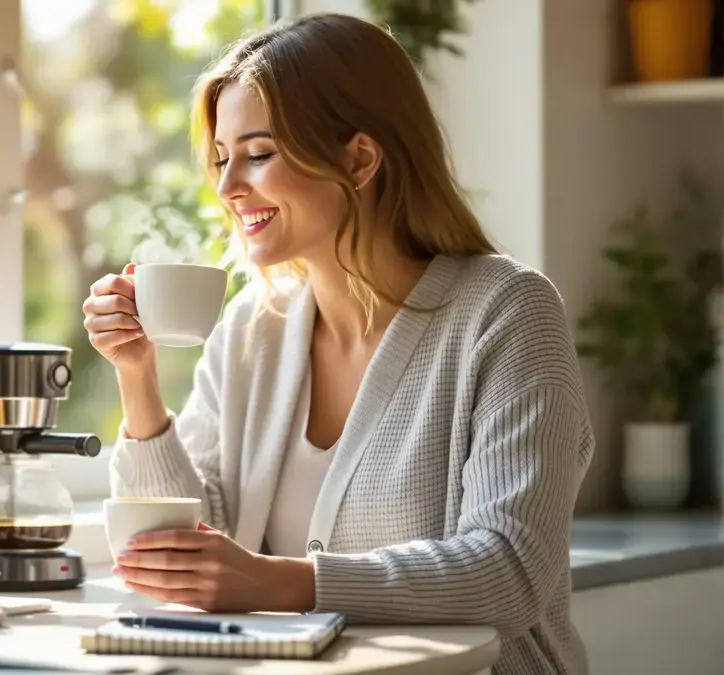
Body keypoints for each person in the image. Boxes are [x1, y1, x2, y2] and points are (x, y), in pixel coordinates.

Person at [80, 12, 593, 675]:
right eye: (221, 158)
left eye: (258, 153)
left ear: (358, 158)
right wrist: (136, 376)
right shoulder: (251, 328)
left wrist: (283, 581)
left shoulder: (507, 313)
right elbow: (185, 555)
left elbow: (508, 570)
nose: (229, 186)